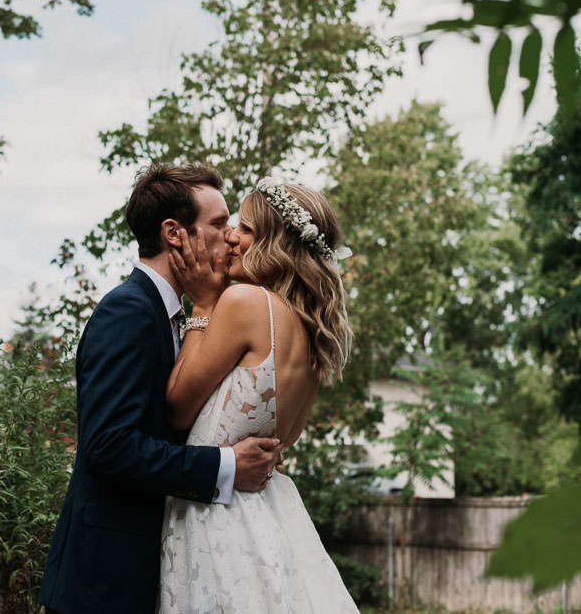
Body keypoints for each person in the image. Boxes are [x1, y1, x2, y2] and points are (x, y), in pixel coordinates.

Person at [39, 164, 283, 614]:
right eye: (218, 223)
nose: (230, 237)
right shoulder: (127, 312)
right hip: (103, 585)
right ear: (175, 233)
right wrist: (225, 465)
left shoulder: (185, 318)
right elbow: (109, 447)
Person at [158, 177, 359, 613]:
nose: (230, 235)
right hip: (268, 515)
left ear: (275, 243)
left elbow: (175, 408)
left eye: (245, 229)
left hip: (218, 520)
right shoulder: (310, 334)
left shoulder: (245, 303)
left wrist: (203, 306)